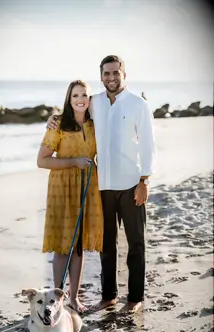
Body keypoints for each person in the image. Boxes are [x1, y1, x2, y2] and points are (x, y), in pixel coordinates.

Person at [47, 55, 155, 313]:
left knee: (136, 243)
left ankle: (135, 297)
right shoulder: (94, 102)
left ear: (124, 74)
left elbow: (149, 146)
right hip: (102, 187)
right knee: (107, 245)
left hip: (131, 184)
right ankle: (109, 295)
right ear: (101, 76)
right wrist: (53, 118)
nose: (111, 77)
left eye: (115, 72)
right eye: (106, 73)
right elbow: (75, 110)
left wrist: (144, 181)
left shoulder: (138, 104)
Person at [37, 80, 103, 313]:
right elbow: (42, 160)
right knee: (63, 246)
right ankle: (56, 298)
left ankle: (73, 298)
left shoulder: (96, 123)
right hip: (62, 188)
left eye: (84, 94)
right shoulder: (58, 124)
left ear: (90, 98)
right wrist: (74, 162)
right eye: (75, 95)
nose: (80, 99)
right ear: (69, 98)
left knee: (78, 247)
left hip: (87, 187)